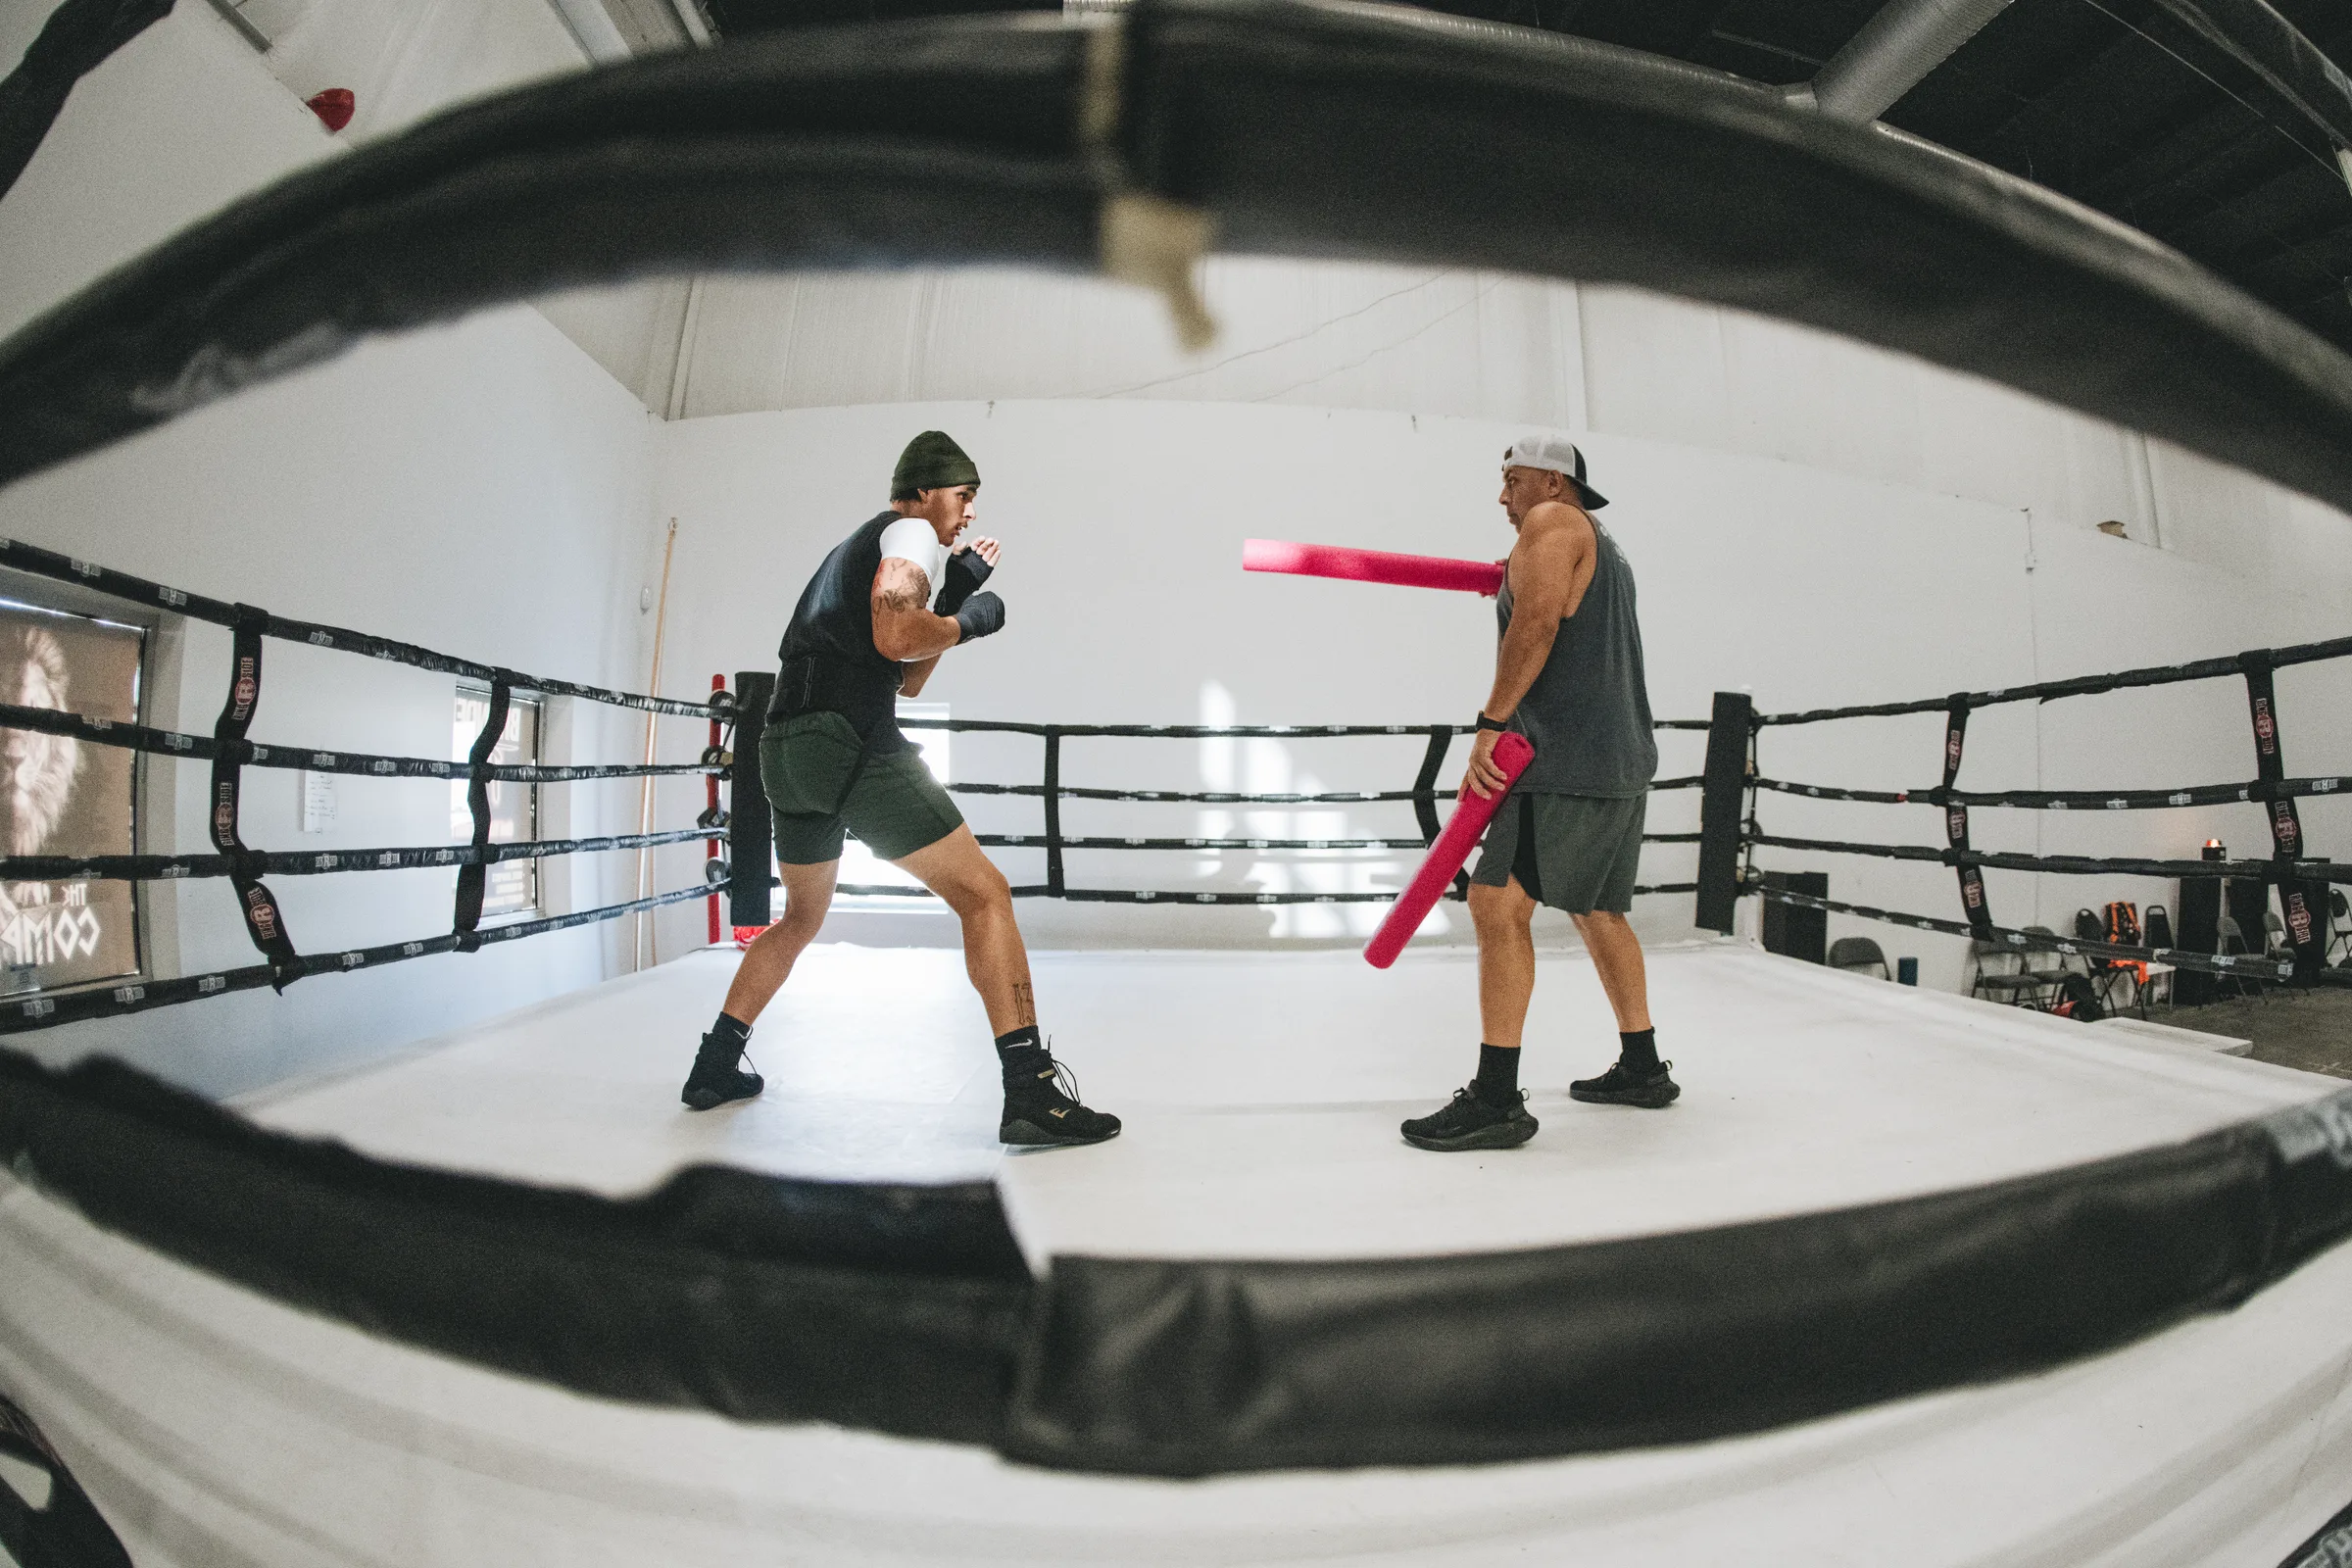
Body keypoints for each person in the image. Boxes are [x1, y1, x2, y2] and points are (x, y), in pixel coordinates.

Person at [680, 431, 1121, 1148]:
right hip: (847, 741)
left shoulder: (860, 551)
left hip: (785, 749)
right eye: (963, 494)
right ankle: (1030, 1091)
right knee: (985, 895)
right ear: (923, 489)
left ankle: (713, 1066)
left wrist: (954, 597)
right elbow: (895, 636)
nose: (968, 513)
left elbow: (908, 674)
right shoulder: (908, 529)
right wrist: (972, 620)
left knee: (799, 918)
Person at [1401, 434, 1671, 1152]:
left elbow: (1539, 622)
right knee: (1598, 909)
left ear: (1551, 482)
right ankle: (1643, 1067)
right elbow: (1551, 604)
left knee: (1495, 903)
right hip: (1617, 759)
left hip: (1561, 761)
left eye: (1511, 481)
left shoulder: (1553, 524)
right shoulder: (1600, 543)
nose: (1502, 497)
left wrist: (1490, 724)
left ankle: (1496, 1099)